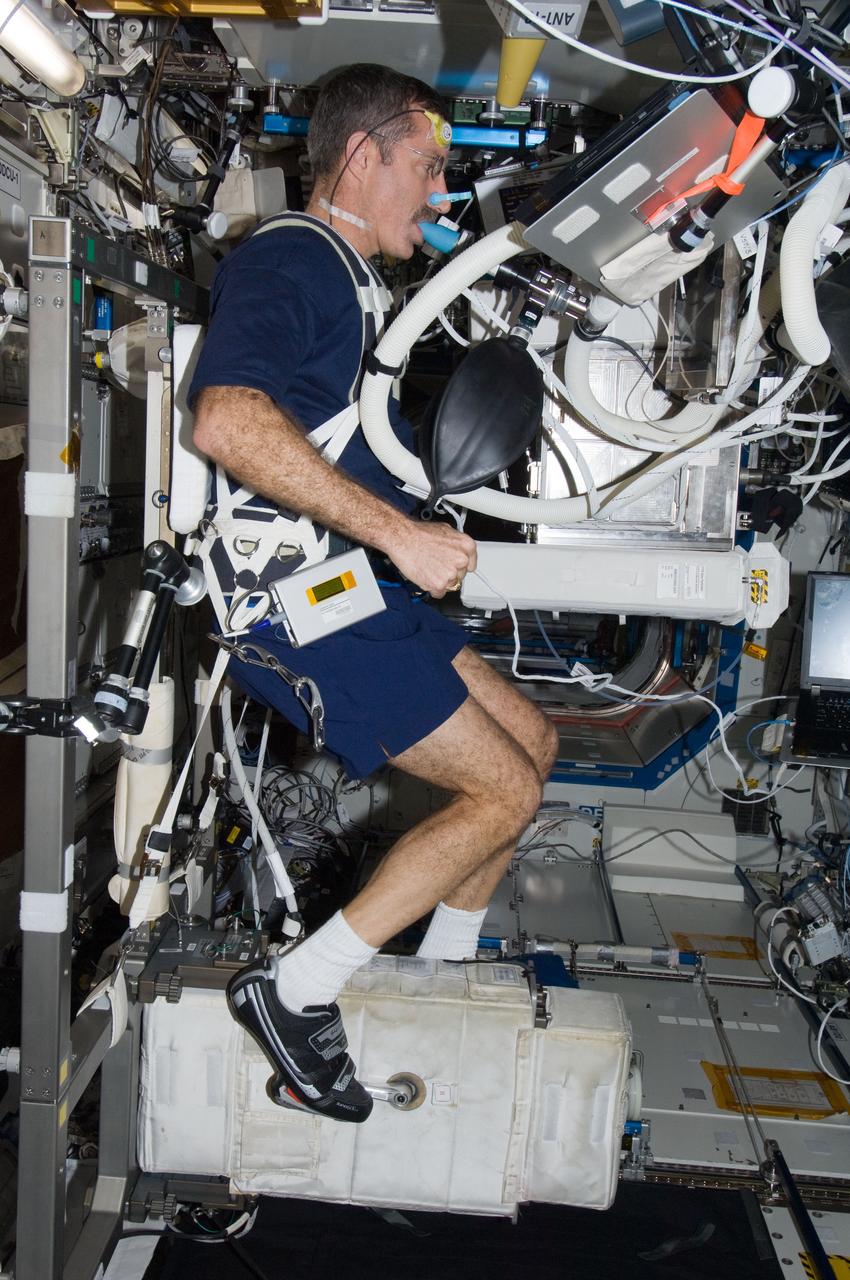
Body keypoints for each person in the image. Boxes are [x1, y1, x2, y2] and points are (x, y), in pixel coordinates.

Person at [189, 63, 558, 1124]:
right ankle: (294, 989)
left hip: (343, 580)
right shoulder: (295, 258)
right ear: (364, 155)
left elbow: (323, 438)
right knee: (501, 792)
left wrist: (418, 517)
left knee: (529, 741)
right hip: (288, 595)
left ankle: (438, 971)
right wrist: (399, 530)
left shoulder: (353, 281)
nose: (440, 192)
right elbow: (227, 419)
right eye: (429, 165)